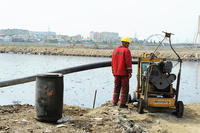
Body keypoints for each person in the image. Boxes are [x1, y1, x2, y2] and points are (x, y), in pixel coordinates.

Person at [111, 37, 132, 108]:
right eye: (127, 43)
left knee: (116, 87)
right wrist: (130, 72)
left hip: (116, 73)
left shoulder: (115, 50)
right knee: (125, 88)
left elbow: (112, 62)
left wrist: (113, 72)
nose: (128, 45)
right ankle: (122, 104)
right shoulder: (126, 51)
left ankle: (114, 102)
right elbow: (128, 62)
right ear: (124, 43)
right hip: (124, 73)